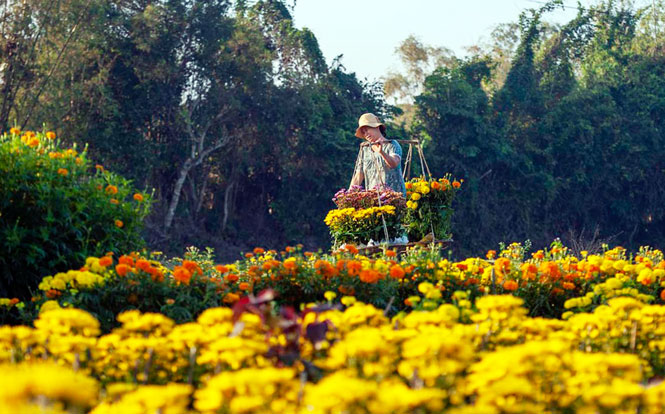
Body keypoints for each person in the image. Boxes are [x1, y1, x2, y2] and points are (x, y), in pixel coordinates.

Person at [349, 113, 406, 196]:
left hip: (394, 197)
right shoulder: (365, 149)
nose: (366, 134)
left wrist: (381, 152)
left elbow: (394, 163)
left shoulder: (392, 144)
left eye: (367, 129)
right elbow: (358, 175)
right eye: (363, 132)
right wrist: (348, 195)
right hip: (374, 198)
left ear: (376, 127)